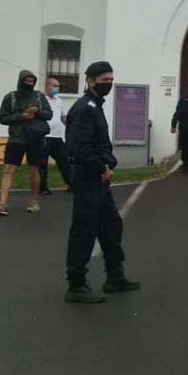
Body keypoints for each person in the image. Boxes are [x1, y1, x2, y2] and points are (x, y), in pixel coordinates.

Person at [64, 61, 141, 304]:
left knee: (111, 224)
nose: (108, 84)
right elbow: (78, 148)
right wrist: (101, 168)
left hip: (99, 177)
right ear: (90, 81)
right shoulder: (85, 108)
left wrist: (105, 166)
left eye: (111, 80)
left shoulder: (95, 105)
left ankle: (115, 276)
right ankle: (76, 284)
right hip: (89, 176)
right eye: (104, 80)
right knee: (84, 229)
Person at [0, 69, 53, 216]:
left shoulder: (39, 96)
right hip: (16, 138)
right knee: (8, 169)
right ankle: (2, 204)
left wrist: (37, 111)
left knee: (34, 169)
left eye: (33, 81)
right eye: (28, 81)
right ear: (21, 81)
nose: (30, 83)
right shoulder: (10, 97)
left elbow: (49, 115)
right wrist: (22, 116)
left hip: (36, 139)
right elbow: (2, 118)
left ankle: (34, 201)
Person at [39, 76, 72, 196]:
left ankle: (71, 184)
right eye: (54, 86)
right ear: (47, 86)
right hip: (43, 136)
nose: (57, 88)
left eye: (58, 86)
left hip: (57, 137)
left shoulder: (59, 100)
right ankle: (42, 187)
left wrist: (72, 125)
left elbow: (63, 117)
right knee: (42, 163)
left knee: (65, 160)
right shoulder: (41, 100)